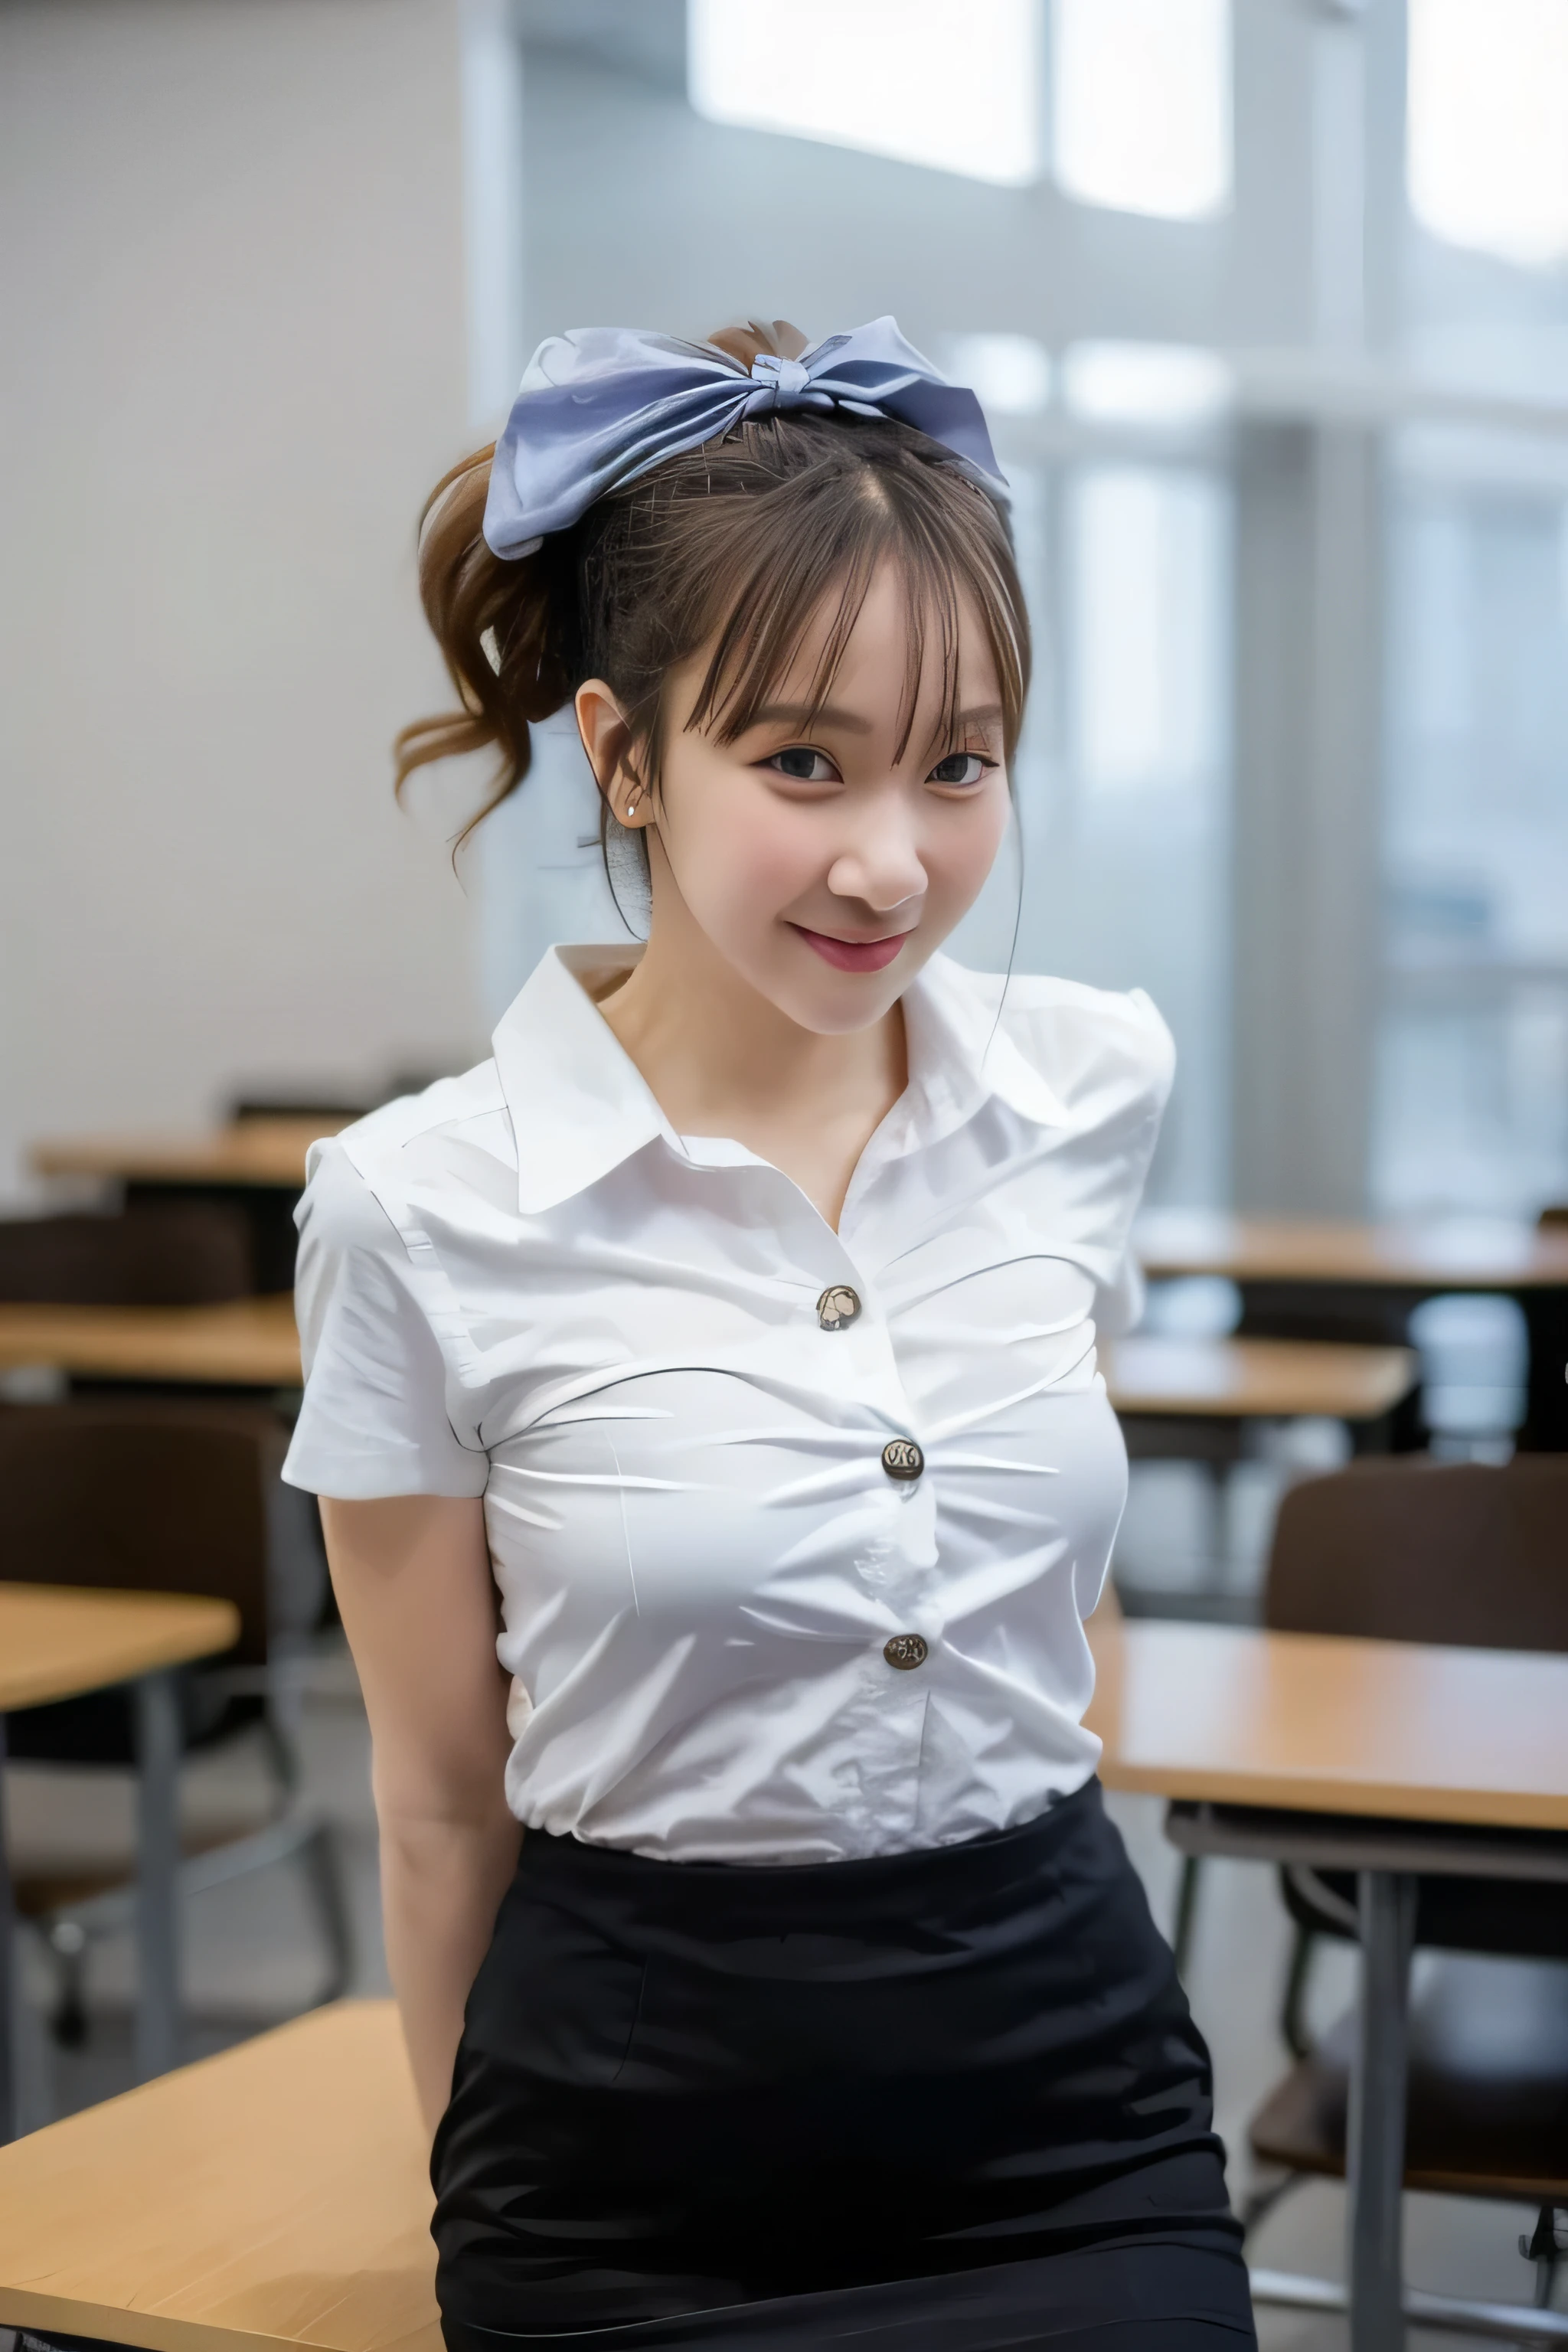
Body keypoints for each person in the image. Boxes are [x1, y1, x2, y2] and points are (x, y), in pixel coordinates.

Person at [282, 317, 1256, 2350]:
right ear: (622, 750)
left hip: (1069, 2103)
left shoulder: (1092, 1091)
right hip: (632, 2163)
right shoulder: (418, 1208)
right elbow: (444, 1802)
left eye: (959, 763)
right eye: (804, 760)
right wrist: (474, 2199)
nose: (892, 860)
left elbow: (1052, 1607)